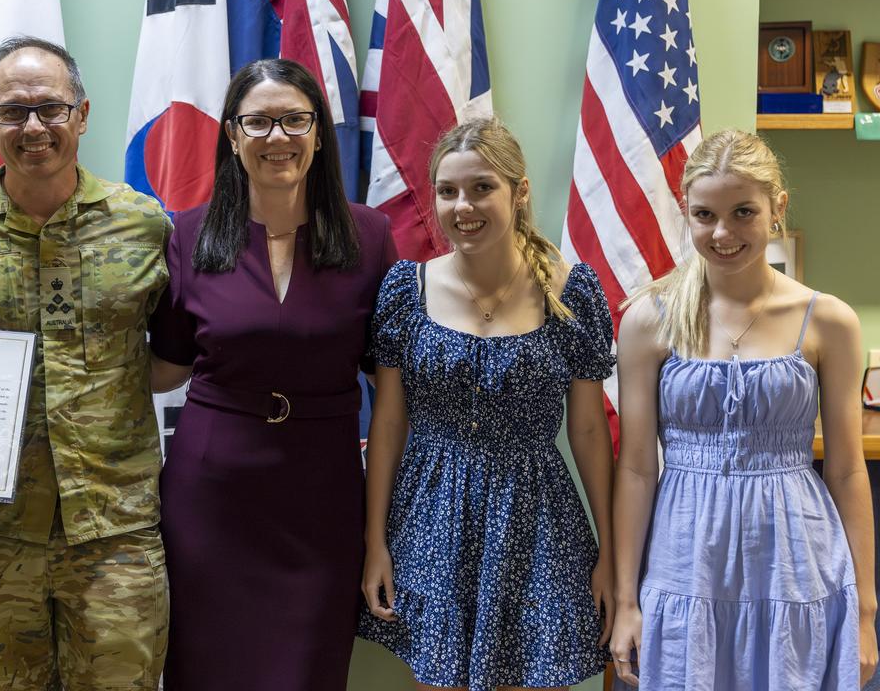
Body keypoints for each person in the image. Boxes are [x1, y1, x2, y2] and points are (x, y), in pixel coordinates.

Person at [0, 36, 171, 690]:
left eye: (51, 107)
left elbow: (184, 349)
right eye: (13, 112)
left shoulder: (143, 227)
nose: (34, 126)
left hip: (116, 539)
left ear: (82, 114)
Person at [147, 58, 395, 690]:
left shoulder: (370, 237)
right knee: (204, 669)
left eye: (294, 120)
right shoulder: (188, 235)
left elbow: (392, 390)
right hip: (212, 496)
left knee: (306, 670)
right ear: (232, 135)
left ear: (318, 134)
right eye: (259, 122)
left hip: (322, 497)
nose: (277, 137)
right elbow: (164, 369)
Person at [610, 129, 877, 689]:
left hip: (795, 564)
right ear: (685, 212)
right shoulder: (648, 320)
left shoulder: (828, 321)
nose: (722, 232)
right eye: (704, 215)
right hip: (685, 561)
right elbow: (636, 468)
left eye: (742, 212)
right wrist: (626, 601)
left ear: (778, 207)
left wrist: (865, 614)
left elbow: (849, 469)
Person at [357, 117, 615, 691]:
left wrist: (610, 551)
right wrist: (375, 541)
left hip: (537, 518)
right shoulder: (407, 289)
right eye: (447, 191)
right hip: (430, 515)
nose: (462, 206)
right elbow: (390, 421)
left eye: (481, 187)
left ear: (519, 191)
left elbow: (591, 433)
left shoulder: (572, 292)